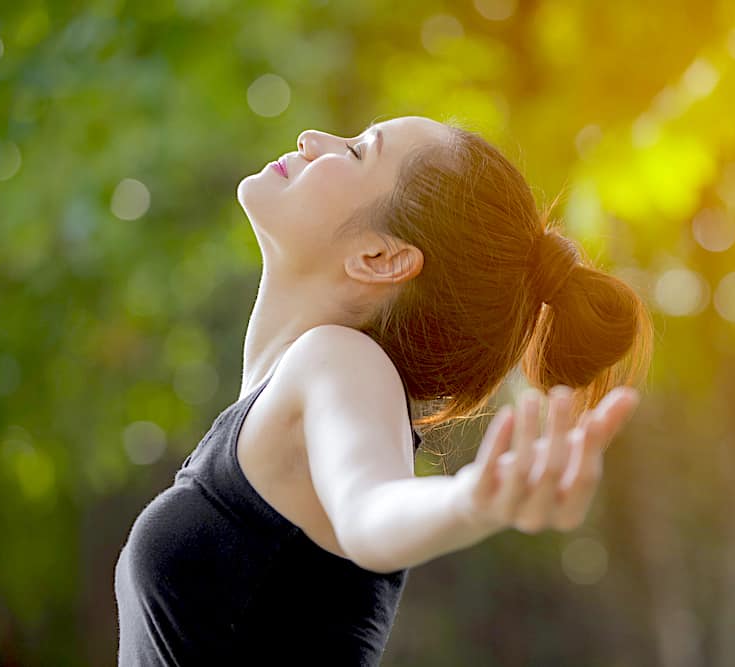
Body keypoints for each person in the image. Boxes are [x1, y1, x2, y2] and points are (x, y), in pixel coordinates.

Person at [114, 115, 653, 665]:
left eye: (354, 152)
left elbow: (370, 508)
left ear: (380, 258)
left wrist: (470, 502)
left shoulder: (340, 362)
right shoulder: (295, 387)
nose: (311, 139)